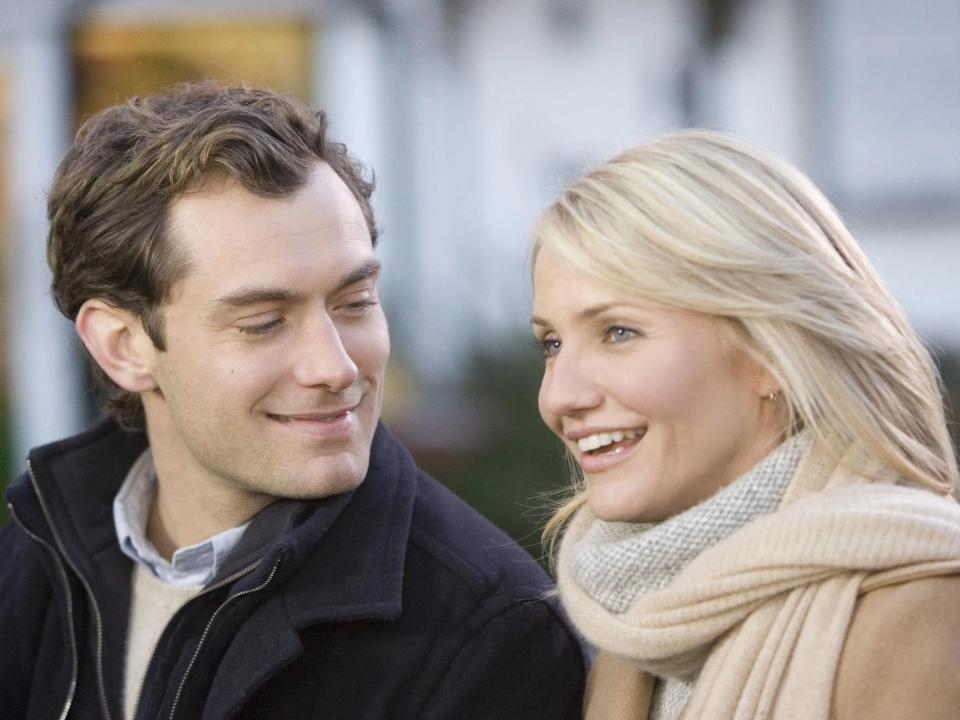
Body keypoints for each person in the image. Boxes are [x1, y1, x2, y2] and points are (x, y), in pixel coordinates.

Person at [0, 82, 585, 720]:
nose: (335, 367)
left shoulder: (489, 637)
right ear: (122, 345)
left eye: (355, 302)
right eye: (263, 322)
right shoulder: (32, 557)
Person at [528, 129, 960, 719]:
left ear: (769, 352)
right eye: (551, 343)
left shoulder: (926, 614)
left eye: (618, 332)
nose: (559, 395)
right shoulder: (640, 627)